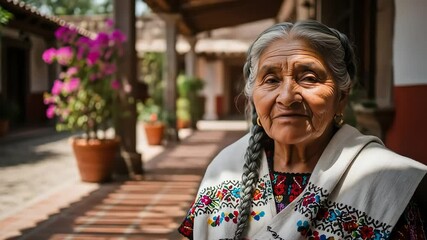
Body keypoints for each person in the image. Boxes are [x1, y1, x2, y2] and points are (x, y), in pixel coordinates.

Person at [178, 20, 427, 240]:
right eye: (271, 80)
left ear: (342, 97)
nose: (287, 97)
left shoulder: (386, 181)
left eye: (308, 77)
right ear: (253, 96)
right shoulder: (223, 171)